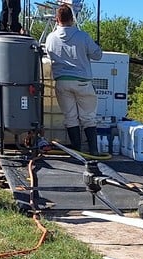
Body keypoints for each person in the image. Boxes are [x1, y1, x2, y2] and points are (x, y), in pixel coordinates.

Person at [43, 3, 102, 154]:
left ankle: (77, 149)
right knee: (88, 117)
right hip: (82, 81)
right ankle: (93, 150)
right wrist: (96, 46)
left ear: (57, 19)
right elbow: (97, 55)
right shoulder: (83, 36)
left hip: (62, 81)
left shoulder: (50, 38)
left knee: (70, 117)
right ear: (72, 19)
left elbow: (49, 56)